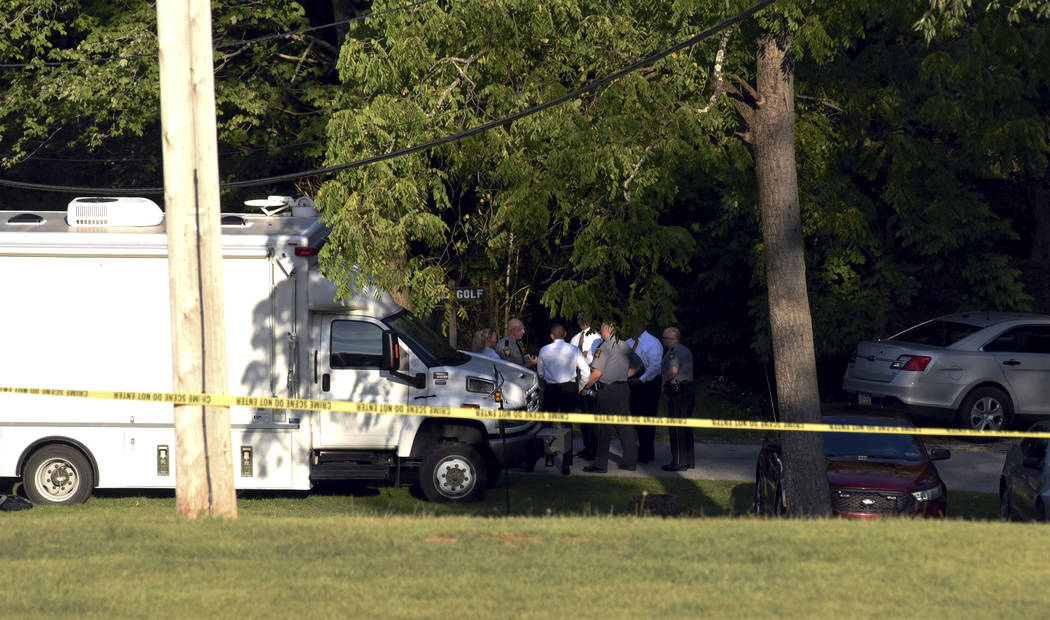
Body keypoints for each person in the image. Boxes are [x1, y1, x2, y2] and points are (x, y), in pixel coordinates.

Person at [580, 322, 643, 473]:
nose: (601, 332)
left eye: (601, 329)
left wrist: (584, 387)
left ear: (606, 330)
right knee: (624, 426)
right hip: (623, 388)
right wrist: (624, 375)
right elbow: (639, 365)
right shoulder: (624, 345)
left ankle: (600, 464)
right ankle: (630, 462)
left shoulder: (604, 347)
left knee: (603, 427)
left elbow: (596, 374)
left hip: (608, 390)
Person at [626, 322, 663, 463]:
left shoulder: (652, 342)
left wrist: (641, 380)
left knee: (647, 418)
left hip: (648, 383)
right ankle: (641, 448)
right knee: (635, 416)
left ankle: (647, 452)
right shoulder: (628, 342)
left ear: (640, 326)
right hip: (633, 381)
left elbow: (654, 367)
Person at [660, 326, 695, 471]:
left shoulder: (673, 352)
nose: (663, 341)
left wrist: (663, 382)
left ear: (670, 339)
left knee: (676, 428)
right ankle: (689, 460)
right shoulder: (685, 350)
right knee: (686, 427)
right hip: (688, 390)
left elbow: (673, 371)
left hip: (678, 392)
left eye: (664, 338)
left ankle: (679, 461)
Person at [536, 323, 591, 414]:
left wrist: (546, 380)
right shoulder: (574, 350)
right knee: (567, 422)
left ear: (552, 336)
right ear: (565, 334)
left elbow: (540, 372)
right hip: (569, 389)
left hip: (551, 389)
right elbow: (586, 371)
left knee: (548, 422)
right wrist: (580, 387)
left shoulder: (544, 350)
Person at [571, 312, 603, 459]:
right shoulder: (575, 338)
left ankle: (594, 449)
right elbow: (570, 357)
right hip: (577, 379)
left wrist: (582, 356)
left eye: (583, 319)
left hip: (590, 379)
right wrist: (581, 355)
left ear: (590, 320)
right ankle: (587, 446)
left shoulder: (596, 337)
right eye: (578, 319)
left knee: (591, 415)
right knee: (583, 416)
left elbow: (592, 358)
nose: (580, 321)